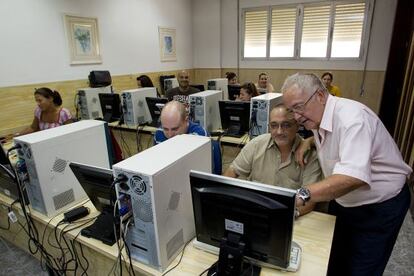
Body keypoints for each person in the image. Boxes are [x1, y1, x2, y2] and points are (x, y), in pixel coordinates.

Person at [281, 73, 411, 276]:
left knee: (361, 268)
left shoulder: (353, 118)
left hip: (379, 206)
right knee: (335, 259)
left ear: (321, 96)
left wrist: (301, 195)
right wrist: (309, 141)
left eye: (299, 107)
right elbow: (334, 137)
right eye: (292, 110)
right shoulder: (317, 116)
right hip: (345, 203)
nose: (296, 116)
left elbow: (352, 177)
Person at [223, 104, 322, 217]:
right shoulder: (257, 144)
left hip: (288, 217)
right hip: (254, 212)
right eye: (274, 125)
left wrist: (288, 215)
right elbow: (231, 172)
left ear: (297, 126)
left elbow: (310, 200)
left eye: (286, 125)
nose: (279, 131)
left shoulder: (310, 156)